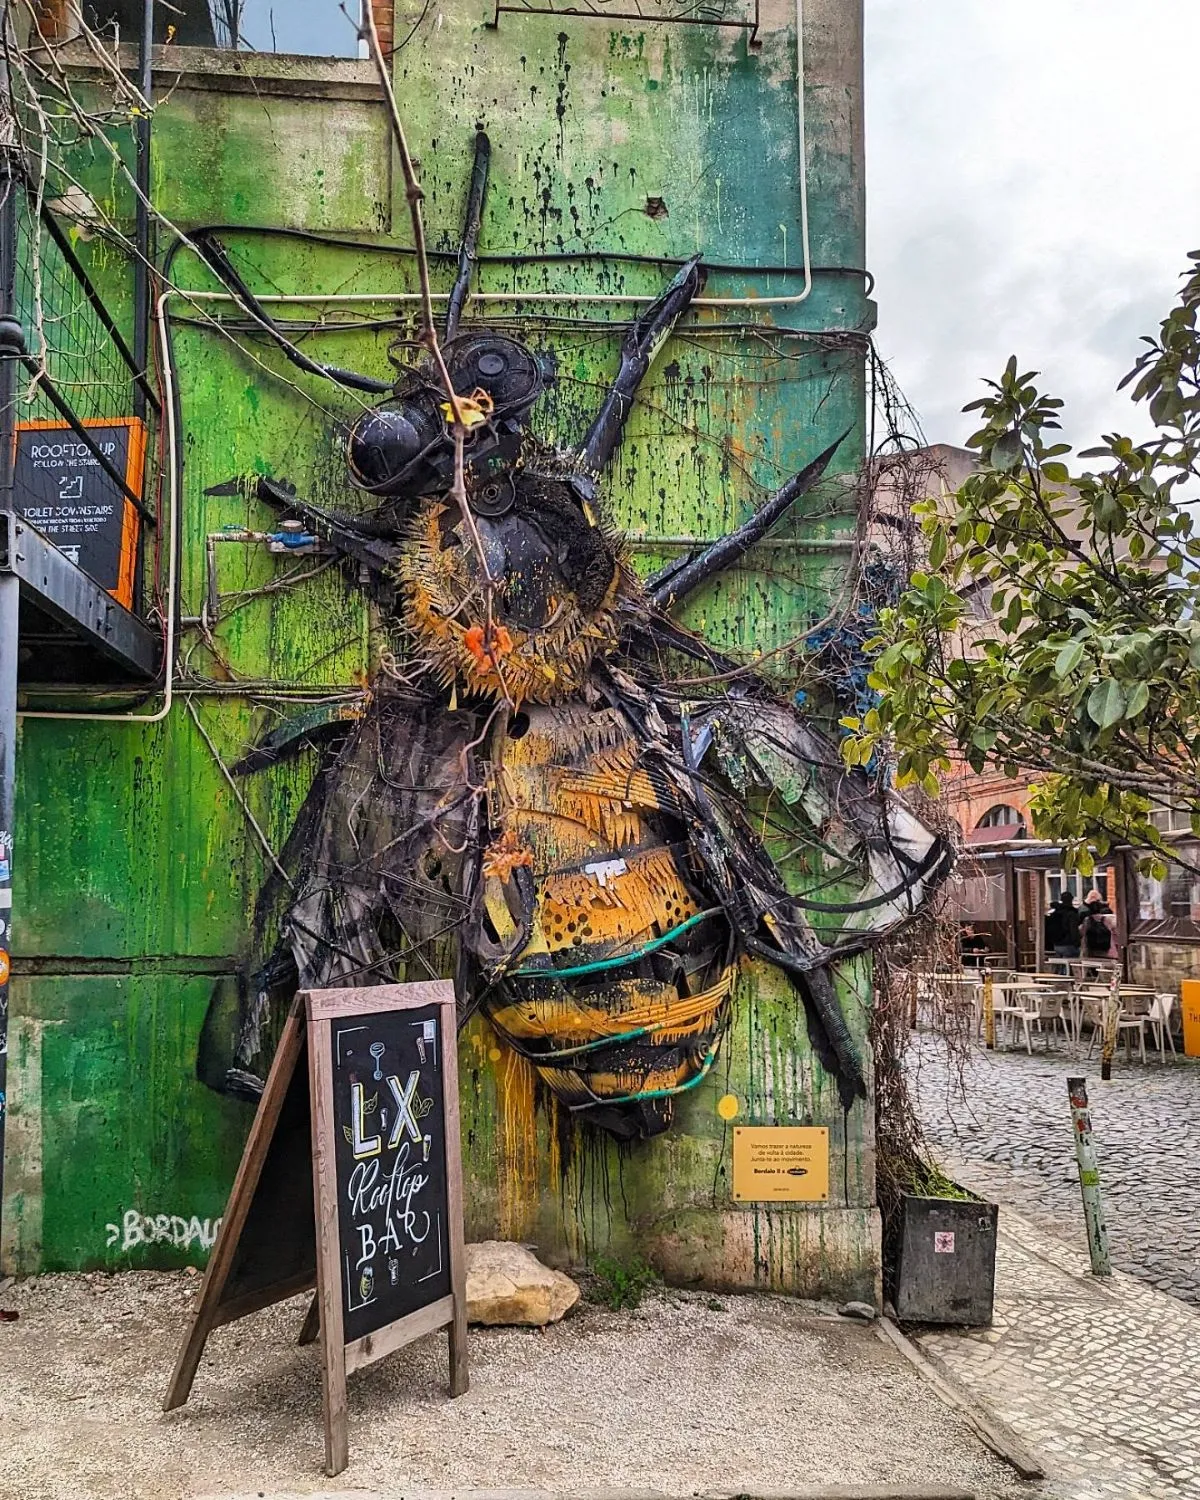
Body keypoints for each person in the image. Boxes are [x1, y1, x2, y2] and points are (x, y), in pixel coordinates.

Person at [1082, 889, 1117, 963]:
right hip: (1108, 950)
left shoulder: (1087, 920)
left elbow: (1082, 933)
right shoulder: (1109, 919)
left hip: (1092, 950)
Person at [1045, 891, 1081, 958]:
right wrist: (1077, 943)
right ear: (1071, 899)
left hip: (1056, 944)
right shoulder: (1071, 913)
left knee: (1059, 964)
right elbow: (1073, 930)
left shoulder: (1055, 912)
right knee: (1070, 965)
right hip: (1069, 944)